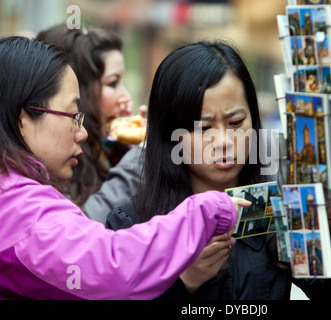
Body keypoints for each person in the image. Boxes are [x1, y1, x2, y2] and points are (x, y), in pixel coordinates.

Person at [106, 40, 331, 300]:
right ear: (169, 133)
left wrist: (327, 225)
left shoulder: (278, 209)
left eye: (236, 122)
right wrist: (183, 282)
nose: (224, 141)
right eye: (204, 127)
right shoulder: (130, 224)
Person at [0, 36, 247, 300]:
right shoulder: (22, 210)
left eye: (236, 121)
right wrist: (209, 210)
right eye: (73, 116)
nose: (81, 132)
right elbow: (113, 265)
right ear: (23, 120)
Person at [35, 24, 141, 220]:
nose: (126, 98)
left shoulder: (110, 153)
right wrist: (138, 161)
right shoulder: (51, 165)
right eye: (113, 83)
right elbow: (82, 229)